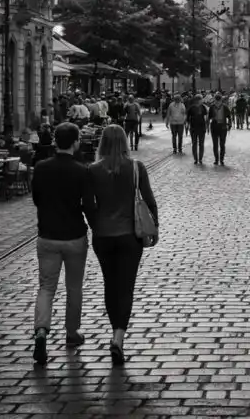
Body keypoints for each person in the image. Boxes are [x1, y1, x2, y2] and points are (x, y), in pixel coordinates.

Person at [88, 125, 158, 366]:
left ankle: (114, 329)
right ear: (125, 141)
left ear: (102, 143)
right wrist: (154, 228)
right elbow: (149, 201)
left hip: (103, 236)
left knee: (110, 285)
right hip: (130, 235)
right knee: (126, 287)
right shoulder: (136, 168)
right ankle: (118, 337)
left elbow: (88, 204)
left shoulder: (93, 170)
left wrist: (95, 224)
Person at [30, 122, 95, 366]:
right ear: (76, 142)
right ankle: (71, 332)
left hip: (47, 235)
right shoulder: (82, 170)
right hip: (74, 236)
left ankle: (41, 331)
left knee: (46, 287)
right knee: (74, 286)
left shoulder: (41, 167)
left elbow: (36, 198)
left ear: (56, 141)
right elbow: (88, 205)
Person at [209, 98, 231, 165]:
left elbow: (229, 116)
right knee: (215, 144)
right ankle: (216, 159)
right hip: (214, 127)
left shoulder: (225, 107)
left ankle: (221, 159)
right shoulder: (212, 107)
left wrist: (229, 125)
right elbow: (209, 117)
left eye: (218, 101)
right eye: (216, 101)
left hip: (223, 127)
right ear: (215, 101)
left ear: (221, 101)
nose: (217, 103)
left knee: (222, 144)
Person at [188, 97, 208, 165]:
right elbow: (188, 117)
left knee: (201, 144)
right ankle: (195, 159)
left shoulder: (203, 107)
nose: (202, 101)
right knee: (194, 144)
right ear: (197, 101)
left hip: (202, 128)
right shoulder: (191, 108)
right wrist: (188, 125)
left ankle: (200, 158)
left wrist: (206, 127)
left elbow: (206, 117)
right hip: (193, 128)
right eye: (200, 100)